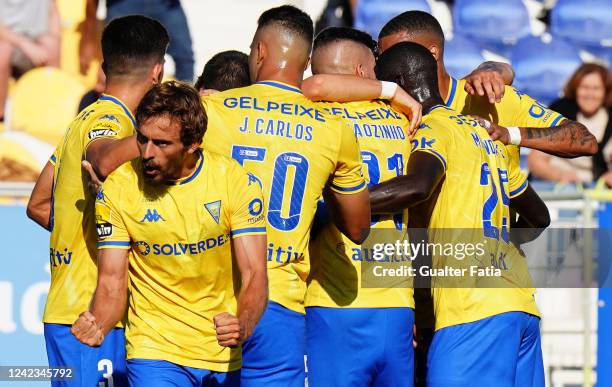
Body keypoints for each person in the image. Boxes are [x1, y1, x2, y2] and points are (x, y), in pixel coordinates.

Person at [201, 5, 372, 386]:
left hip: (211, 296)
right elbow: (359, 228)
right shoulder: (333, 127)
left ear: (259, 51)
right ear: (308, 61)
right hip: (281, 301)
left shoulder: (212, 111)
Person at [372, 41, 549, 387]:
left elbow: (417, 186)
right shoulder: (483, 132)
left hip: (473, 310)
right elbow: (538, 217)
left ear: (397, 84)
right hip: (520, 305)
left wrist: (343, 201)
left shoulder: (433, 127)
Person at [70, 81, 268, 387]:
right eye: (142, 139)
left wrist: (243, 324)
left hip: (219, 348)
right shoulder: (119, 189)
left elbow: (255, 273)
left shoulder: (234, 181)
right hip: (153, 347)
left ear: (192, 144)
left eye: (161, 144)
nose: (147, 153)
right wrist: (99, 322)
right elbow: (111, 283)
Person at [26, 15, 169, 386]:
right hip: (92, 311)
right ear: (159, 70)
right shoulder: (114, 122)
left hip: (70, 307)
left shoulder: (81, 119)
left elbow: (39, 203)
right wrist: (168, 135)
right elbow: (103, 157)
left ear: (105, 67)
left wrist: (85, 235)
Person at [305, 27, 415, 386]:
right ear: (362, 72)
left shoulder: (314, 118)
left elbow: (310, 89)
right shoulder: (405, 120)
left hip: (335, 298)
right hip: (398, 299)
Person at [528, 63, 612, 186]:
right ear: (575, 89)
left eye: (596, 88)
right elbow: (535, 161)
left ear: (605, 91)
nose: (590, 94)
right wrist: (561, 176)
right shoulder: (559, 114)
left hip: (597, 191)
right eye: (585, 87)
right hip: (558, 188)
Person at [81, 0, 195, 81]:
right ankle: (111, 110)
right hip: (123, 3)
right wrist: (88, 40)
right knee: (116, 59)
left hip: (165, 4)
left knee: (184, 56)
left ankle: (187, 106)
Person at [0, 0, 60, 124]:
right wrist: (24, 44)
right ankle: (1, 115)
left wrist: (56, 38)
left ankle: (49, 112)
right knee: (2, 52)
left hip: (36, 41)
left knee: (52, 44)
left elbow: (53, 13)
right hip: (8, 41)